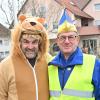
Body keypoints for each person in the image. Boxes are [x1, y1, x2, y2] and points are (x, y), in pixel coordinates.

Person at [48, 9, 100, 100]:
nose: (67, 41)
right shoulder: (50, 65)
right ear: (57, 41)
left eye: (71, 37)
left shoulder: (93, 64)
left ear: (77, 39)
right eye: (63, 37)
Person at [0, 14, 50, 100]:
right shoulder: (5, 65)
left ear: (40, 43)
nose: (30, 47)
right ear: (19, 41)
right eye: (26, 41)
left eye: (34, 42)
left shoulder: (49, 61)